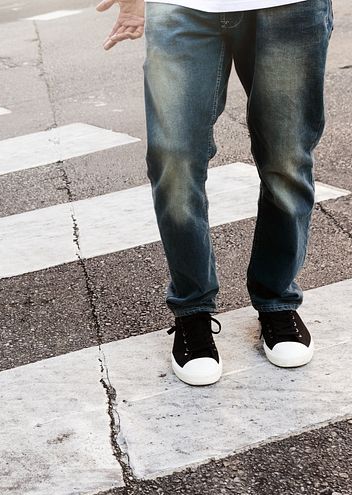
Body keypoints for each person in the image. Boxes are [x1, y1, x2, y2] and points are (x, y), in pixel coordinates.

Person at [97, 0, 332, 385]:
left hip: (290, 7)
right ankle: (192, 310)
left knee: (286, 158)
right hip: (181, 6)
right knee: (174, 160)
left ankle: (277, 301)